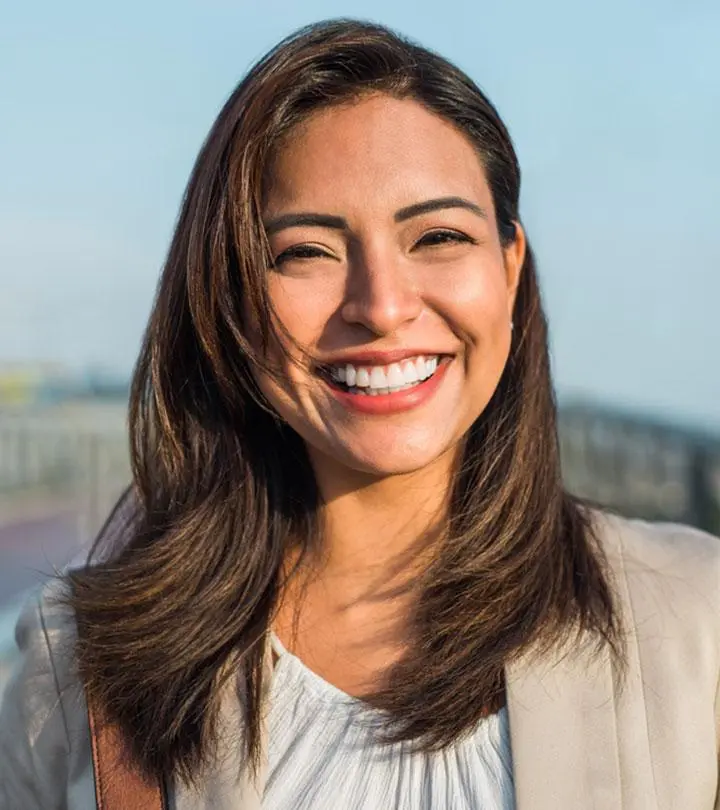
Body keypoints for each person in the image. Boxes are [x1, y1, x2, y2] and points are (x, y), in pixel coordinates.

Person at [1, 18, 718, 810]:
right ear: (229, 297)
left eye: (438, 236)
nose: (380, 307)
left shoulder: (695, 624)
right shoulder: (77, 662)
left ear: (510, 272)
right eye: (306, 251)